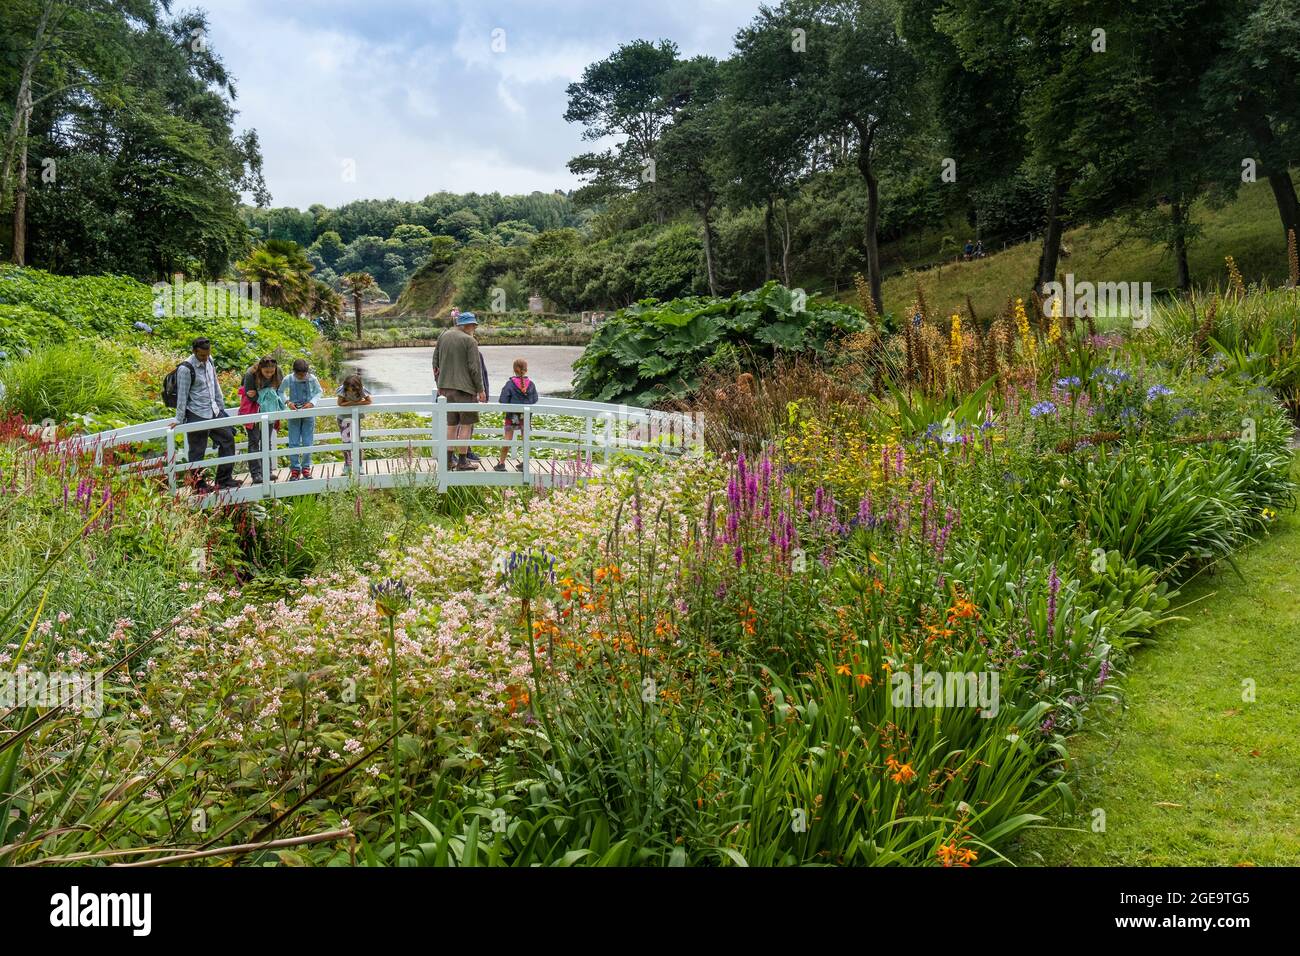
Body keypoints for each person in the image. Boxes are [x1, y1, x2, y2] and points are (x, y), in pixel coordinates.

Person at [170, 337, 238, 493]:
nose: (205, 358)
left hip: (213, 410)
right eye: (202, 356)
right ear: (194, 352)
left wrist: (221, 408)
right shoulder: (185, 369)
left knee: (228, 438)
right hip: (196, 412)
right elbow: (182, 395)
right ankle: (198, 485)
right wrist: (179, 418)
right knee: (197, 450)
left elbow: (215, 383)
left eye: (207, 355)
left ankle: (224, 479)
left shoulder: (210, 361)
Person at [432, 311, 485, 471]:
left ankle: (448, 460)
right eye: (473, 325)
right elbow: (474, 368)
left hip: (446, 389)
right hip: (464, 389)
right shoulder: (470, 341)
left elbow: (435, 363)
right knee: (466, 425)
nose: (474, 328)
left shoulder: (443, 336)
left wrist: (439, 384)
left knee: (452, 425)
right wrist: (480, 389)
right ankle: (462, 461)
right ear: (468, 325)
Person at [239, 356, 284, 484]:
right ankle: (256, 473)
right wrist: (267, 394)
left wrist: (263, 393)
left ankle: (267, 471)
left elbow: (279, 389)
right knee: (254, 440)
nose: (269, 374)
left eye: (272, 372)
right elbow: (250, 395)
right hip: (253, 407)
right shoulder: (250, 374)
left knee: (266, 440)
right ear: (260, 369)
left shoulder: (278, 372)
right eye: (266, 372)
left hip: (269, 408)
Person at [279, 358, 323, 480]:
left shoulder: (312, 378)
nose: (302, 377)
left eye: (304, 374)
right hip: (294, 413)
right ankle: (295, 469)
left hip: (308, 412)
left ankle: (306, 467)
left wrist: (312, 403)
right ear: (294, 372)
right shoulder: (289, 379)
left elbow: (319, 392)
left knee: (308, 441)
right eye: (299, 375)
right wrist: (287, 402)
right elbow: (280, 391)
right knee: (293, 441)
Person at [495, 358, 539, 471]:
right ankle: (525, 463)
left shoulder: (510, 384)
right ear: (526, 370)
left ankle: (501, 463)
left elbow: (502, 400)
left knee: (508, 439)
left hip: (512, 416)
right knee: (525, 439)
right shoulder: (531, 384)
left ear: (514, 369)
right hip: (525, 415)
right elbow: (535, 400)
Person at [336, 372, 372, 470]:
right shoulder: (343, 389)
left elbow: (369, 401)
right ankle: (347, 465)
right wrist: (352, 403)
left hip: (356, 418)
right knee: (346, 441)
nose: (351, 391)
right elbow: (340, 403)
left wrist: (357, 403)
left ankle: (359, 465)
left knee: (357, 441)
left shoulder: (361, 390)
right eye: (349, 389)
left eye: (353, 390)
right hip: (343, 418)